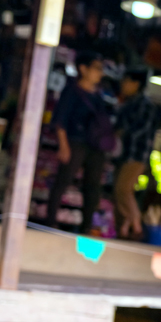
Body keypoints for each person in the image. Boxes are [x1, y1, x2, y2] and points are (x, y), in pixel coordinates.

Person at [47, 50, 114, 234]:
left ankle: (86, 227)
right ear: (83, 69)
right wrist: (63, 144)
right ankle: (50, 221)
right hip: (75, 142)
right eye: (97, 68)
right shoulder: (71, 91)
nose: (100, 73)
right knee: (63, 180)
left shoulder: (99, 96)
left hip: (95, 146)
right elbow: (60, 120)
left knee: (92, 186)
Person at [112, 69, 159, 239]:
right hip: (125, 155)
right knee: (120, 191)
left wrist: (119, 134)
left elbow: (138, 130)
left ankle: (136, 226)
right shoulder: (128, 103)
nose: (123, 84)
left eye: (126, 80)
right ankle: (126, 227)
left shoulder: (144, 105)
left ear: (136, 84)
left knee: (123, 189)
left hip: (137, 155)